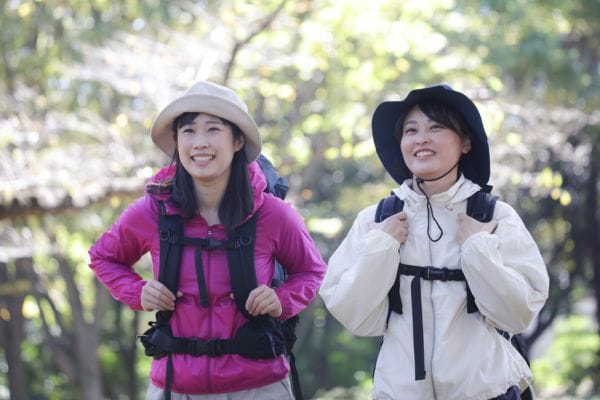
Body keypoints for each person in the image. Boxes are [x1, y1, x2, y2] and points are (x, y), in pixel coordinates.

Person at [89, 80, 326, 399]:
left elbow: (311, 271)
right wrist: (138, 291)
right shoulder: (152, 211)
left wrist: (282, 299)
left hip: (260, 387)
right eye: (188, 131)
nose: (199, 143)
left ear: (238, 140)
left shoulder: (274, 214)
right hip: (174, 386)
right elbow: (104, 257)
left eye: (213, 129)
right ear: (177, 141)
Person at [319, 84, 549, 400]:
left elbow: (518, 314)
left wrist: (478, 248)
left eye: (436, 127)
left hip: (484, 392)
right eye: (411, 130)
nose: (421, 138)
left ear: (465, 142)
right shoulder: (377, 220)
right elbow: (354, 315)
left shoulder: (494, 217)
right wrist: (381, 246)